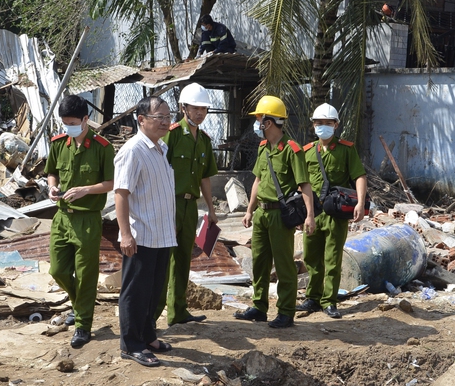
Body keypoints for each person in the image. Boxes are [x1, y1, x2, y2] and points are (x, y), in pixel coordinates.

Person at [235, 95, 316, 328]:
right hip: (261, 214)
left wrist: (309, 216)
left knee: (283, 264)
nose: (257, 123)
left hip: (280, 216)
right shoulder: (263, 147)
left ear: (268, 122)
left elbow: (305, 185)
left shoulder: (292, 149)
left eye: (259, 118)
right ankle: (259, 307)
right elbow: (258, 181)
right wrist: (249, 211)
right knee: (259, 261)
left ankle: (286, 312)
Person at [46, 95, 115, 348]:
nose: (68, 128)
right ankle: (79, 304)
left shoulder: (102, 147)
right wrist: (52, 188)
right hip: (62, 217)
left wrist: (86, 190)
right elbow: (51, 172)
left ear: (86, 119)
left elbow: (112, 183)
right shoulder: (58, 144)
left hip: (87, 219)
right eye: (65, 123)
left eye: (73, 123)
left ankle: (83, 325)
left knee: (86, 275)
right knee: (57, 270)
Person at [115, 96, 177, 367]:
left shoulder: (160, 148)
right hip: (141, 235)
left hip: (162, 233)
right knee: (135, 292)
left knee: (153, 290)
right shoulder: (133, 150)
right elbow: (121, 194)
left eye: (167, 116)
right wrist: (125, 234)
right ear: (141, 120)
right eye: (159, 117)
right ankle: (131, 344)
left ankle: (148, 335)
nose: (165, 121)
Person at [154, 83, 219, 326]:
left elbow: (205, 177)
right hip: (169, 205)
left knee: (182, 260)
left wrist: (211, 210)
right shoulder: (170, 134)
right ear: (184, 108)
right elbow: (159, 170)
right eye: (195, 108)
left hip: (190, 207)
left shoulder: (204, 140)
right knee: (163, 262)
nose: (200, 113)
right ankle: (151, 317)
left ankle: (177, 312)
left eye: (204, 108)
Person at [297, 103, 367, 318]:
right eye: (319, 123)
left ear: (336, 125)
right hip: (312, 214)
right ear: (313, 125)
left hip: (336, 214)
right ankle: (312, 298)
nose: (323, 127)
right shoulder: (307, 152)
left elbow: (359, 176)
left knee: (333, 259)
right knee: (311, 257)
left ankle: (329, 301)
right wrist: (303, 214)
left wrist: (360, 204)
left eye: (328, 123)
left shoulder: (346, 149)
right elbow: (300, 183)